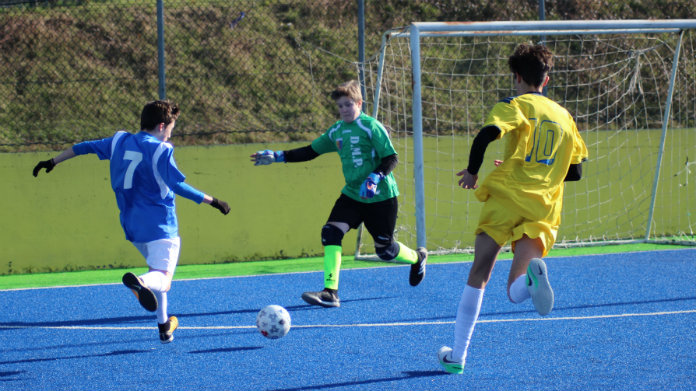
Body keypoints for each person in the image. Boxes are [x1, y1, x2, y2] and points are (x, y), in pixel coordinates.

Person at [437, 44, 588, 374]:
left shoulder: (513, 104)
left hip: (506, 198)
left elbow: (487, 134)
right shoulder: (565, 117)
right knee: (515, 289)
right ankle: (531, 281)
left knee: (479, 273)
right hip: (544, 206)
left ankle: (458, 356)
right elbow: (575, 172)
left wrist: (474, 170)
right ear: (546, 80)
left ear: (517, 77)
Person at [32, 100, 231, 343]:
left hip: (132, 226)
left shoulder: (119, 141)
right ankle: (139, 283)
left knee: (157, 269)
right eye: (171, 128)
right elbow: (177, 185)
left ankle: (164, 326)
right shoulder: (161, 150)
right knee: (162, 279)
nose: (170, 133)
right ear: (161, 125)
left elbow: (84, 147)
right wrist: (213, 201)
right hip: (160, 225)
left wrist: (53, 161)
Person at [250, 80, 427, 308]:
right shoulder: (337, 130)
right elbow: (311, 151)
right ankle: (330, 292)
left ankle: (417, 258)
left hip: (381, 198)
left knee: (385, 251)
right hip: (353, 195)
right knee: (330, 232)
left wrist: (374, 177)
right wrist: (278, 156)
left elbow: (391, 158)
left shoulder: (371, 126)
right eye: (340, 106)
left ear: (359, 104)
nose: (343, 109)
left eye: (348, 104)